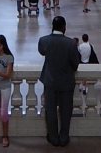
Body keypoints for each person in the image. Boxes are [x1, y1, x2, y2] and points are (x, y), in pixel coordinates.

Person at [38, 15, 81, 147]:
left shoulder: (43, 41)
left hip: (50, 81)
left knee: (50, 110)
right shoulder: (71, 43)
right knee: (66, 111)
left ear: (52, 27)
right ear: (64, 27)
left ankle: (53, 137)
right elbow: (75, 64)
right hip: (66, 82)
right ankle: (63, 138)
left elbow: (41, 51)